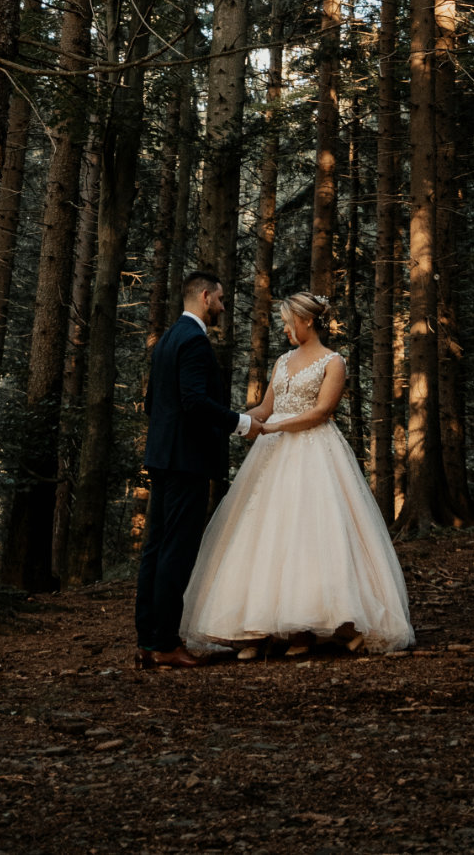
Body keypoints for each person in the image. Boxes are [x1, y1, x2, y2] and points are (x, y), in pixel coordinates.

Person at [180, 289, 415, 658]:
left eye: (289, 323)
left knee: (307, 534)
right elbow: (265, 408)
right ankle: (256, 628)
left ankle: (306, 628)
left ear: (307, 320)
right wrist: (234, 422)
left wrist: (275, 427)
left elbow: (321, 412)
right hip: (273, 454)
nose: (285, 329)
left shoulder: (333, 362)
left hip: (313, 452)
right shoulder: (282, 361)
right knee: (262, 532)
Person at [136, 270, 256, 669]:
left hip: (162, 457)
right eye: (220, 299)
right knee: (177, 551)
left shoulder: (168, 339)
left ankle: (148, 640)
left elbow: (152, 404)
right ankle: (165, 643)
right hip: (186, 461)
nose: (222, 306)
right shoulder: (194, 342)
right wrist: (242, 423)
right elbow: (194, 401)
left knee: (156, 549)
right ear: (205, 297)